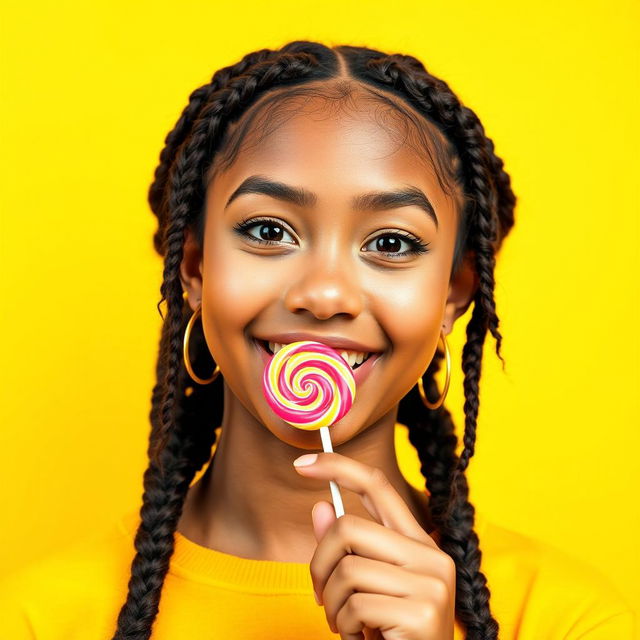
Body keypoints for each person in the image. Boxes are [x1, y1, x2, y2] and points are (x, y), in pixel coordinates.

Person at [0, 40, 635, 640]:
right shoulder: (39, 617)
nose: (325, 294)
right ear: (193, 267)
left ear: (453, 291)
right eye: (269, 231)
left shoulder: (567, 617)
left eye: (390, 243)